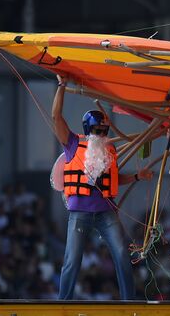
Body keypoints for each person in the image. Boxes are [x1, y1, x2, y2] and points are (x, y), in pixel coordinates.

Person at [52, 75, 152, 300]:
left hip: (107, 211)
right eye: (98, 130)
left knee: (121, 255)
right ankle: (62, 303)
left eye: (105, 131)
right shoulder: (73, 143)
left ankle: (129, 302)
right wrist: (62, 86)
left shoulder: (110, 151)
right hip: (80, 212)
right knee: (72, 259)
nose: (103, 135)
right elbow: (55, 116)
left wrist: (137, 176)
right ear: (89, 129)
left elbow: (114, 180)